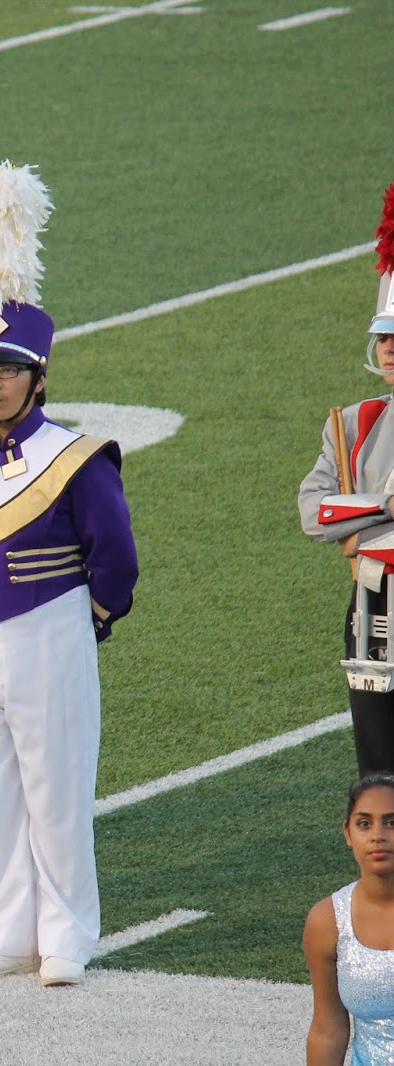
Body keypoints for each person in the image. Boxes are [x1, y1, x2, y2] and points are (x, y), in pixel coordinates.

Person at [0, 162, 137, 987]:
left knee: (57, 784)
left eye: (8, 371)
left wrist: (90, 614)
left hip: (54, 626)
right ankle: (4, 931)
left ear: (38, 377)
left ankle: (68, 933)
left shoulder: (75, 454)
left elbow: (115, 554)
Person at [298, 179, 394, 776]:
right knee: (378, 767)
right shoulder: (356, 423)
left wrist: (360, 521)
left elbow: (339, 515)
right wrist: (386, 503)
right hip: (372, 606)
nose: (388, 348)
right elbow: (314, 512)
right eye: (383, 336)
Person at [304, 772, 394, 1065]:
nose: (377, 835)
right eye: (364, 823)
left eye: (392, 822)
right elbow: (328, 1029)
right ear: (347, 833)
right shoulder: (327, 920)